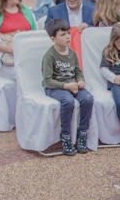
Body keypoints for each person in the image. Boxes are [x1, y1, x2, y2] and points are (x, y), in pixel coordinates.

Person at [39, 18, 94, 155]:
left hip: (72, 84)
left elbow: (78, 72)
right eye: (63, 35)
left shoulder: (72, 53)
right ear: (53, 38)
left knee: (87, 98)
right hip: (56, 87)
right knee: (68, 101)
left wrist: (80, 81)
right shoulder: (49, 56)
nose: (68, 37)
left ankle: (82, 133)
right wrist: (65, 86)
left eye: (68, 33)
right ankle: (66, 136)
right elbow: (47, 81)